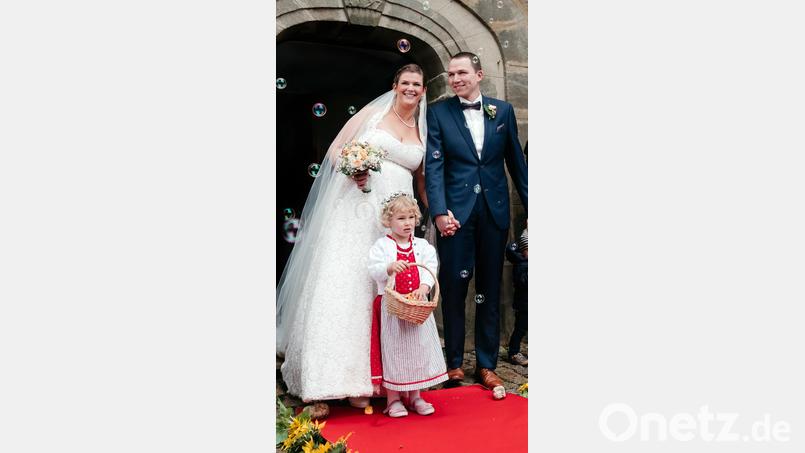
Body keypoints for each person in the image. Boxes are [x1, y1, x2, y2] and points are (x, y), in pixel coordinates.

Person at [276, 64, 430, 415]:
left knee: (382, 290)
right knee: (347, 284)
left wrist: (437, 212)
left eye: (416, 84)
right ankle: (330, 378)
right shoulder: (372, 114)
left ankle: (375, 380)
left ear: (423, 91)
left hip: (396, 219)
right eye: (404, 82)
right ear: (395, 86)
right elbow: (336, 149)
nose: (410, 88)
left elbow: (422, 178)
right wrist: (354, 168)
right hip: (357, 210)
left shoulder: (423, 128)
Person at [424, 52, 528, 399]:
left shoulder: (503, 111)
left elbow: (517, 163)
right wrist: (438, 211)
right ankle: (453, 361)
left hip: (494, 212)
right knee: (454, 287)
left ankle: (486, 364)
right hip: (456, 215)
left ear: (479, 74)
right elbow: (434, 168)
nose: (455, 79)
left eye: (462, 72)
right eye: (451, 74)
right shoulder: (438, 113)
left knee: (491, 287)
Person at [368, 193, 447, 417]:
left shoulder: (423, 246)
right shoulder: (382, 246)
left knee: (417, 351)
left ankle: (416, 396)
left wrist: (424, 288)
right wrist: (389, 267)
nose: (407, 223)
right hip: (393, 309)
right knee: (395, 353)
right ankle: (393, 400)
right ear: (388, 221)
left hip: (416, 309)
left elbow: (430, 267)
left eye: (411, 217)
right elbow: (373, 268)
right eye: (401, 218)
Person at [505, 228, 528, 366]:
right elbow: (523, 282)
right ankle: (513, 352)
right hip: (524, 304)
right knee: (520, 328)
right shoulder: (522, 264)